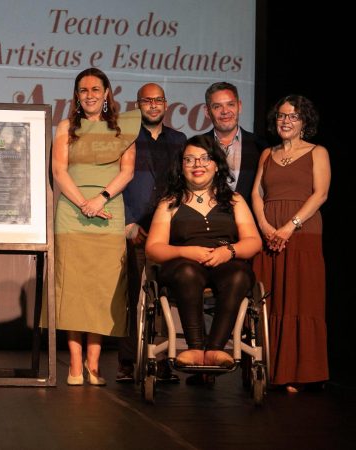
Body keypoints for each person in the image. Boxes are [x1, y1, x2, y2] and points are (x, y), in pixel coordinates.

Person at [51, 68, 138, 386]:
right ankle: (75, 366)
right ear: (76, 95)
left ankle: (94, 364)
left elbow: (127, 172)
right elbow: (59, 172)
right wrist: (83, 203)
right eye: (83, 90)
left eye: (95, 89)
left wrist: (100, 199)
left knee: (102, 291)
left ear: (106, 94)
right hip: (71, 215)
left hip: (109, 213)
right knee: (73, 289)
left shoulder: (124, 128)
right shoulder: (65, 127)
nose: (89, 94)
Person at [145, 135, 262, 368]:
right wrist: (185, 252)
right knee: (188, 272)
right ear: (181, 166)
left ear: (216, 164)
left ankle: (216, 349)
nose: (197, 165)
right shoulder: (169, 203)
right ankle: (195, 348)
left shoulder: (234, 200)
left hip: (226, 261)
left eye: (204, 159)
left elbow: (253, 241)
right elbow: (153, 248)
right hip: (182, 265)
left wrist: (229, 251)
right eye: (190, 160)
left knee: (239, 275)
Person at [251, 95, 330, 392]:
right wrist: (265, 226)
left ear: (304, 122)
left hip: (302, 232)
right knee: (269, 298)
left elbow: (320, 194)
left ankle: (298, 373)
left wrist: (288, 227)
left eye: (293, 117)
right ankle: (268, 370)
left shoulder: (317, 152)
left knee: (299, 298)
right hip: (269, 232)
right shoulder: (267, 153)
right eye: (282, 116)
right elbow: (257, 193)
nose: (286, 121)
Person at [116, 83, 186, 383]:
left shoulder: (180, 140)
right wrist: (129, 224)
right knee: (133, 296)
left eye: (159, 100)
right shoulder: (125, 138)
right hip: (135, 230)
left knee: (167, 298)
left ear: (166, 104)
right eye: (147, 100)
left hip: (169, 232)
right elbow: (114, 183)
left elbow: (185, 183)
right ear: (138, 104)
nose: (154, 105)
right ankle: (129, 362)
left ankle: (164, 360)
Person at [203, 82, 267, 205]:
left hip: (248, 222)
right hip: (207, 222)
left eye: (230, 104)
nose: (225, 111)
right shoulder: (197, 146)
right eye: (217, 106)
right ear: (207, 111)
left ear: (239, 106)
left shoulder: (260, 146)